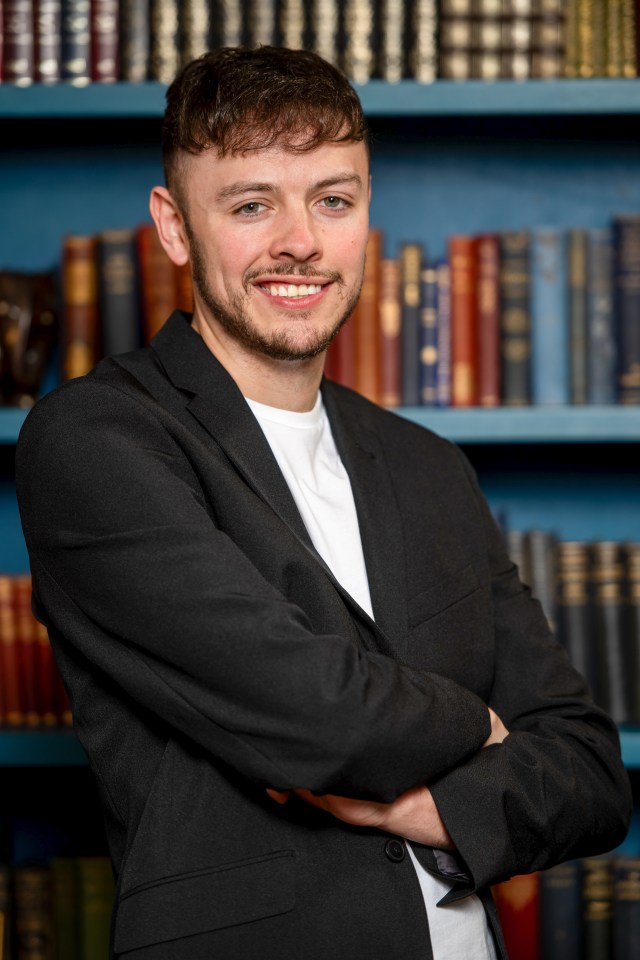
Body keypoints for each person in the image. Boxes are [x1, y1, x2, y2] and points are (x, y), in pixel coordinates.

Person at [16, 46, 631, 960]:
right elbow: (317, 715)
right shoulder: (96, 441)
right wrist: (482, 724)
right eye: (253, 204)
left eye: (333, 200)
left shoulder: (429, 467)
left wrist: (435, 806)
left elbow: (590, 772)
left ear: (366, 214)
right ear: (175, 226)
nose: (300, 240)